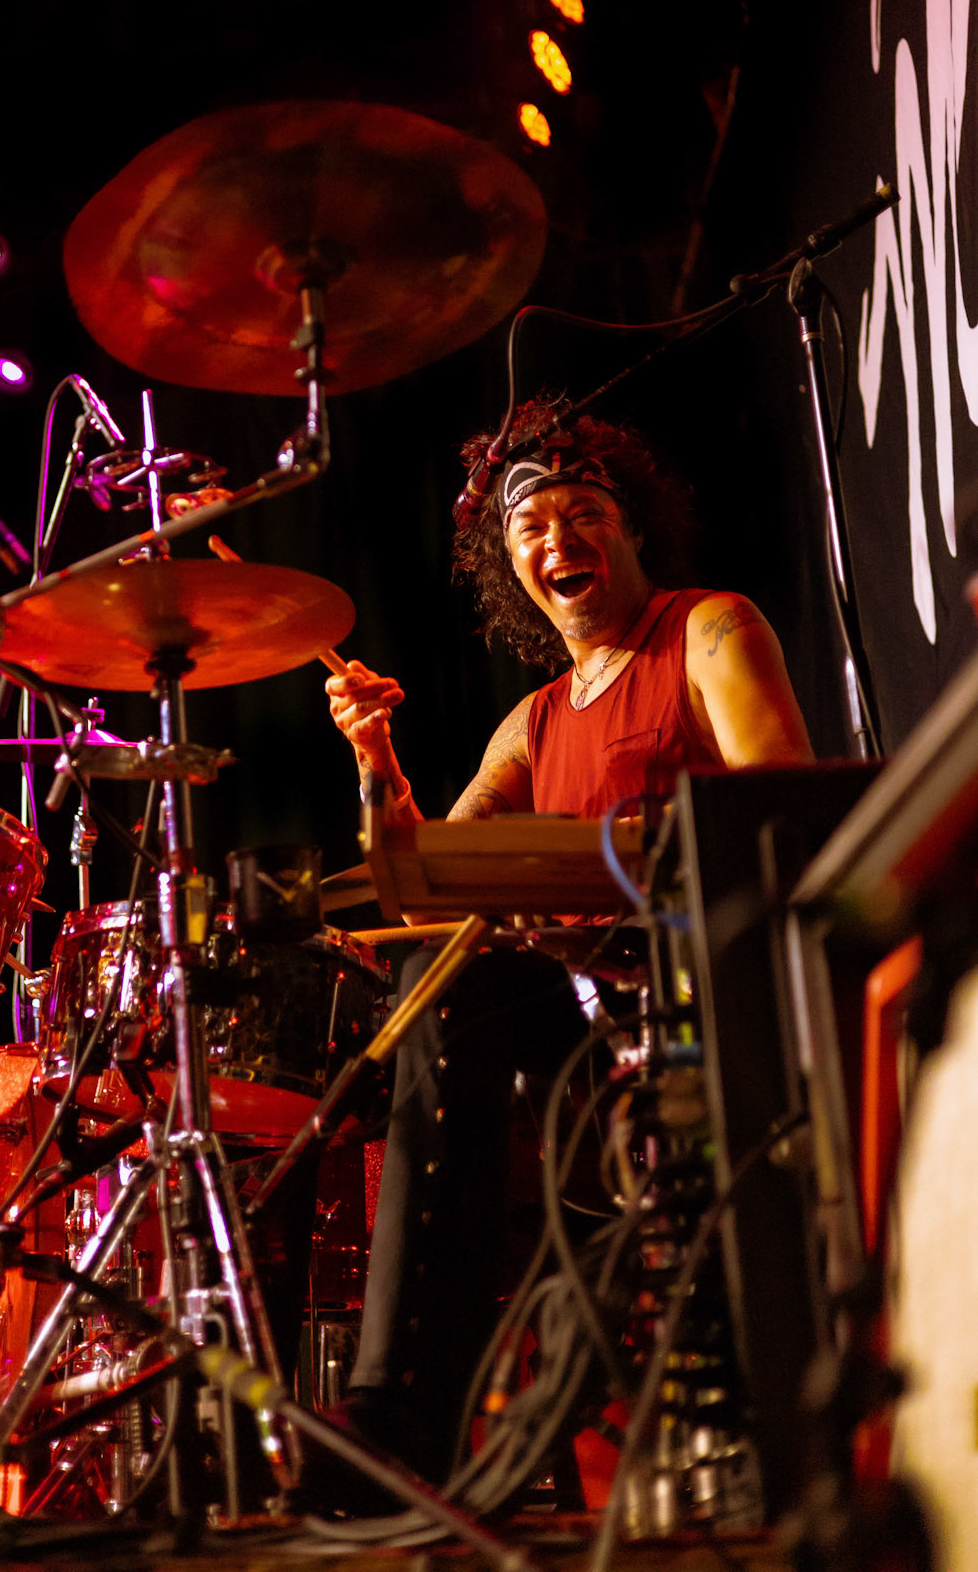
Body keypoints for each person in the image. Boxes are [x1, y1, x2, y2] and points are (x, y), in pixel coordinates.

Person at [321, 401, 813, 1486]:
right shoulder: (533, 719)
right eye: (530, 528)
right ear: (512, 568)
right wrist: (374, 756)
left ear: (632, 527)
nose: (558, 539)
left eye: (583, 512)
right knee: (438, 979)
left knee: (461, 985)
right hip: (583, 1016)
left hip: (705, 984)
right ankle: (398, 1409)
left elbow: (782, 814)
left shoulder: (708, 628)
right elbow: (432, 883)